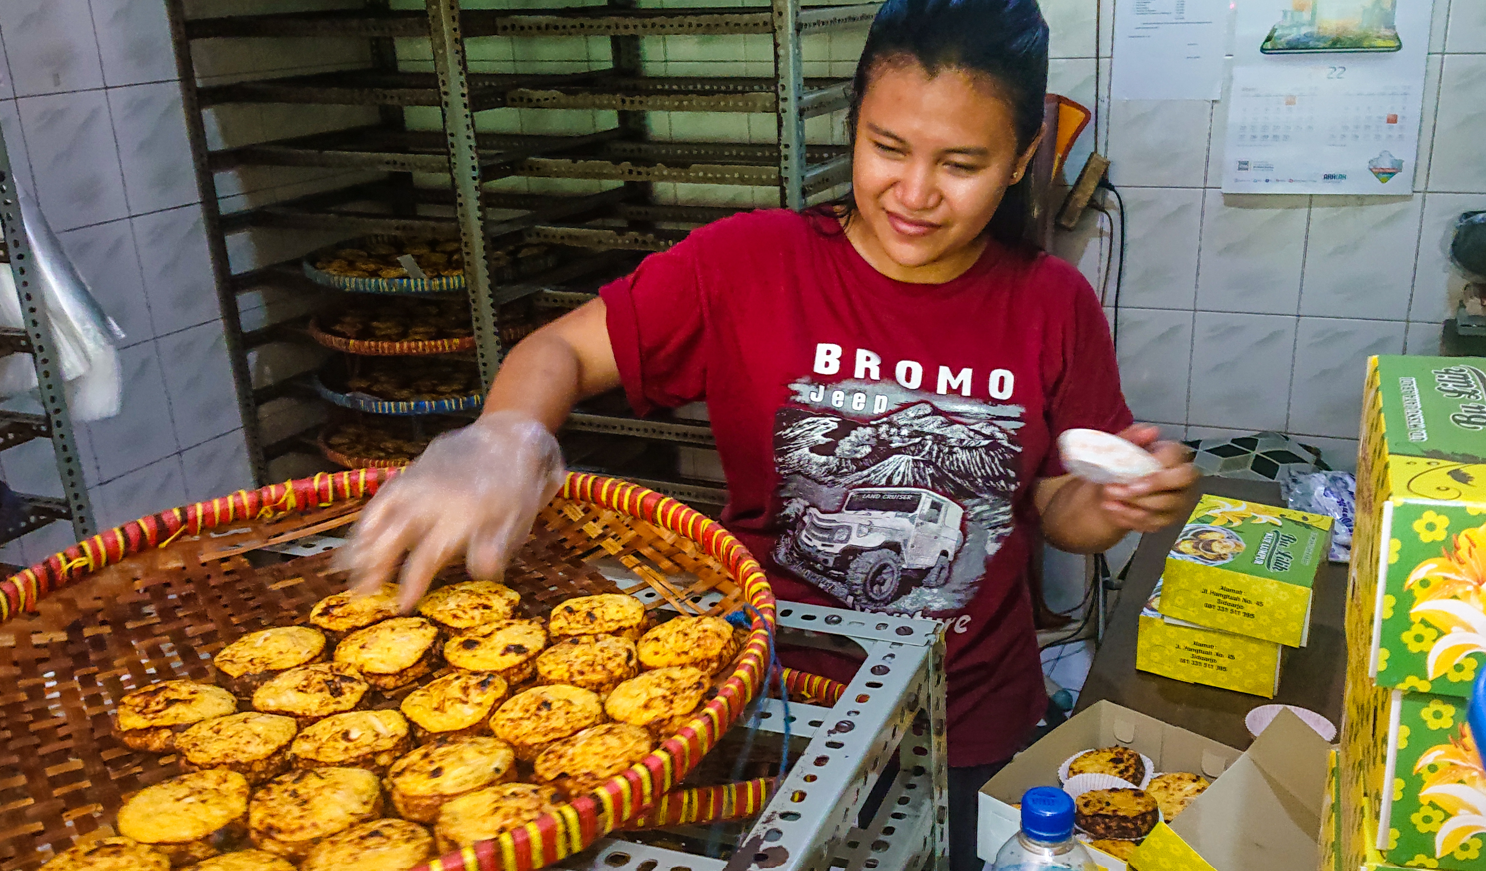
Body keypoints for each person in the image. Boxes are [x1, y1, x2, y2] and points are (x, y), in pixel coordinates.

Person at [337, 0, 1200, 866]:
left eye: (961, 164)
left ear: (1018, 161)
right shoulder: (750, 265)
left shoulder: (1050, 303)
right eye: (886, 147)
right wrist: (503, 436)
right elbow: (561, 347)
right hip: (771, 699)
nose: (914, 193)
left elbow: (1058, 509)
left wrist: (1121, 501)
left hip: (965, 714)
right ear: (853, 126)